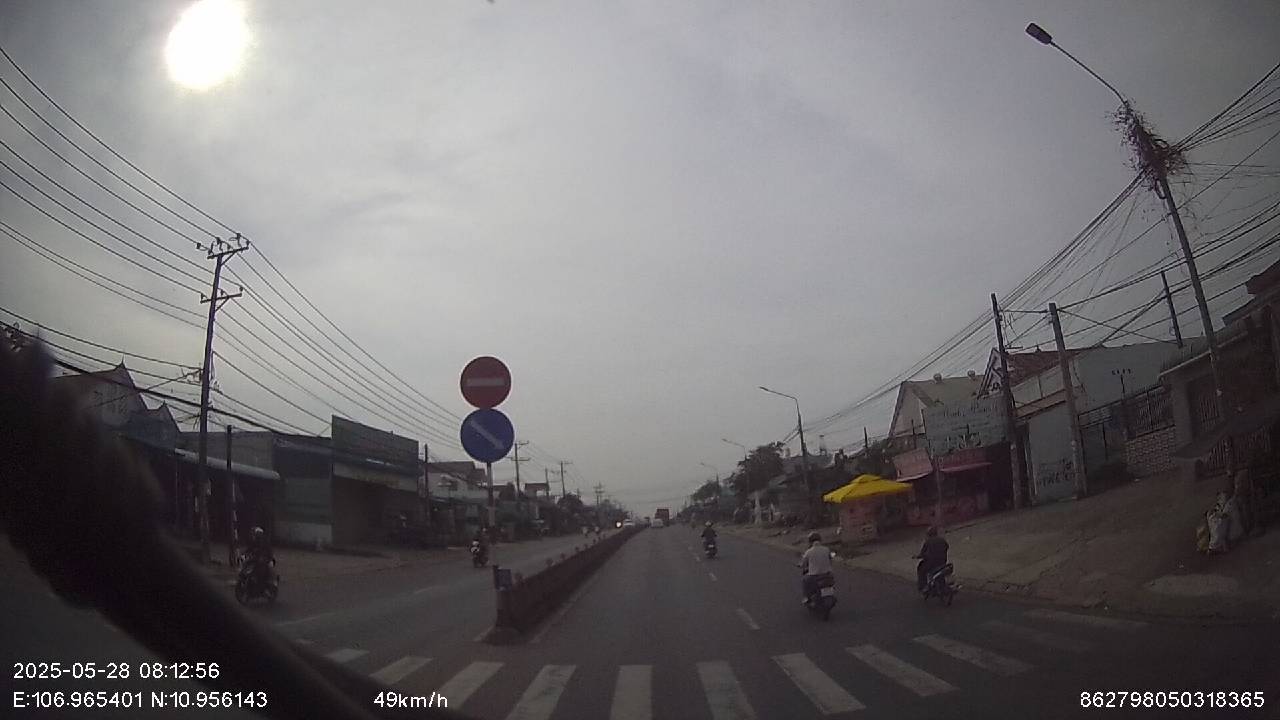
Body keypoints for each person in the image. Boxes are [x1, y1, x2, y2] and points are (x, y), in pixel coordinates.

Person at [799, 531, 834, 602]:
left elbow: (803, 563)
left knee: (804, 580)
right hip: (827, 574)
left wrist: (801, 565)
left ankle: (806, 598)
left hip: (814, 576)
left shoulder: (809, 552)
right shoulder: (826, 549)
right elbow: (830, 559)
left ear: (810, 541)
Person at [914, 526, 949, 592]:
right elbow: (947, 547)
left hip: (932, 563)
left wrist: (917, 556)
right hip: (943, 562)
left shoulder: (928, 542)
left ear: (929, 534)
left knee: (921, 570)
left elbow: (922, 554)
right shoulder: (942, 540)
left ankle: (923, 586)